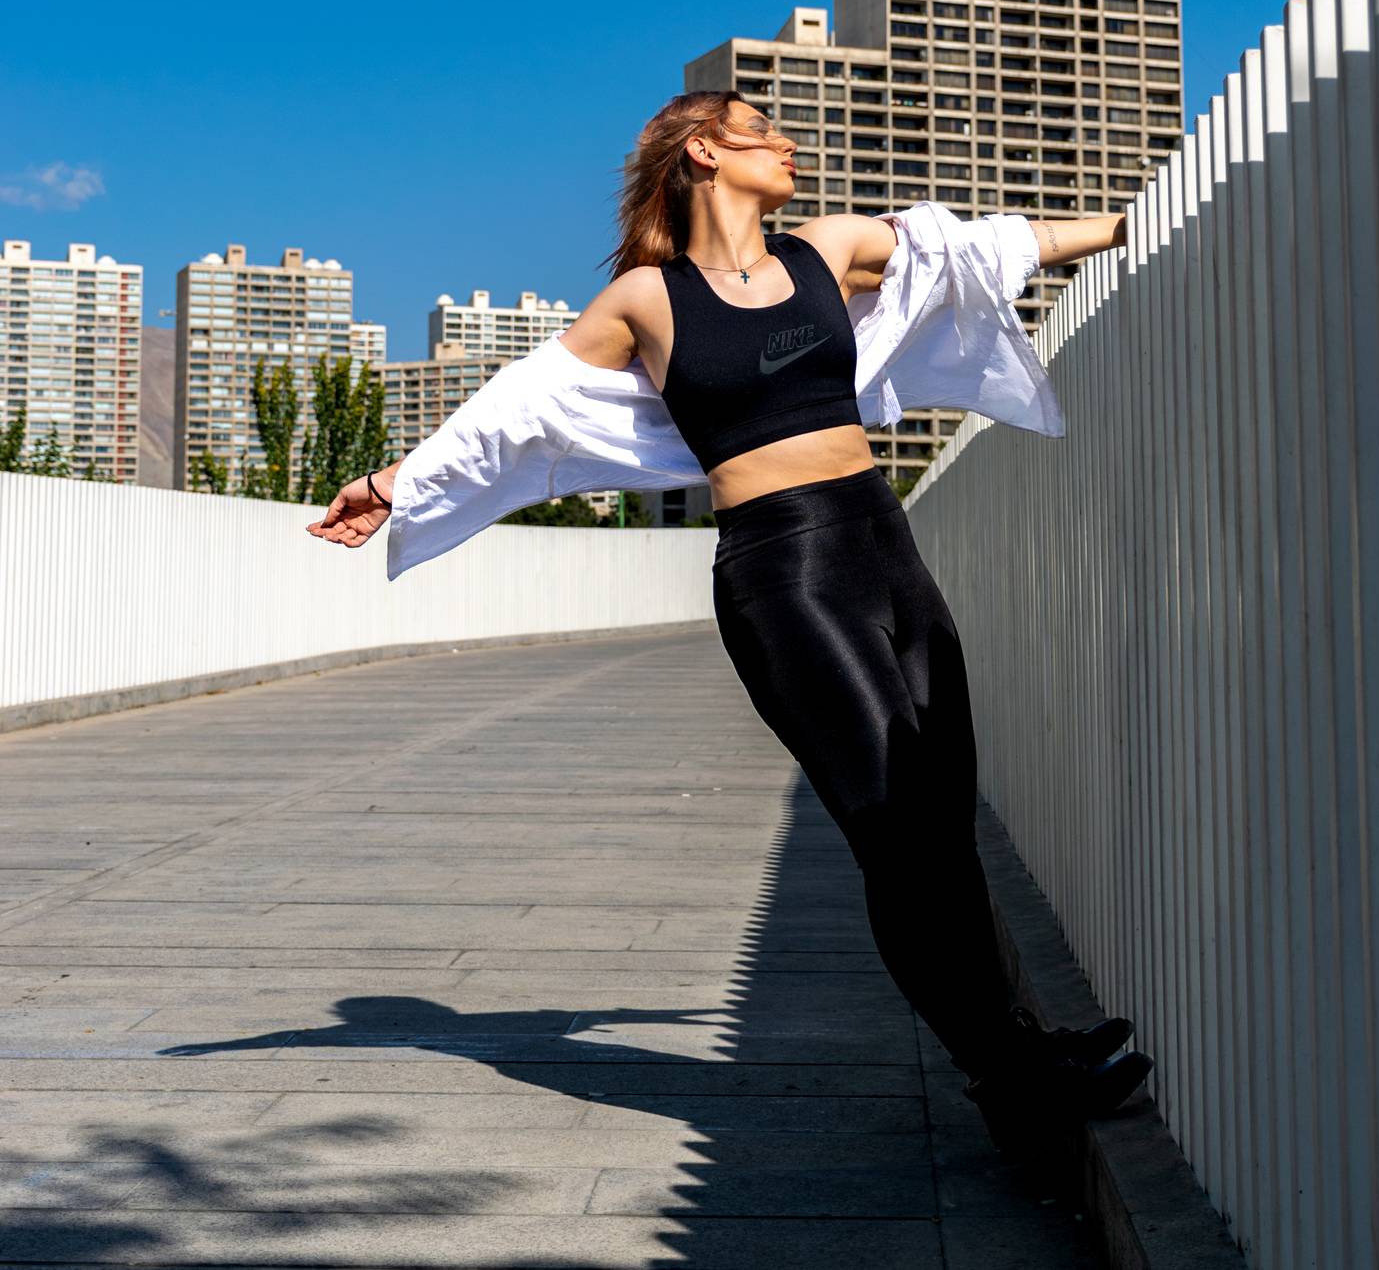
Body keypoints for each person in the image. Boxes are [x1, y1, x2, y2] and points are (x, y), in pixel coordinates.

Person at [307, 91, 1153, 1142]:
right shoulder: (645, 301)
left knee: (941, 819)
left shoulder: (828, 250)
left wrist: (1132, 223)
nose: (790, 144)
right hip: (782, 572)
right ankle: (1014, 1076)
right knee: (894, 829)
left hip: (884, 547)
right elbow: (517, 411)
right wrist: (395, 484)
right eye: (765, 131)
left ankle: (1021, 1055)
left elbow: (983, 248)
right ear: (706, 152)